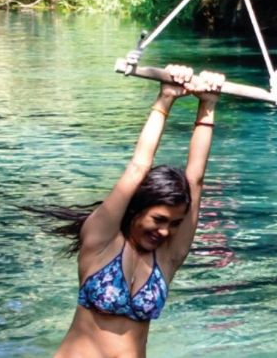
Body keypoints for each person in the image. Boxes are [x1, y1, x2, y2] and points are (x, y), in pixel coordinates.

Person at [28, 65, 224, 358]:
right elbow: (138, 167)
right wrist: (165, 98)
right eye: (158, 219)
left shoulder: (168, 258)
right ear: (136, 209)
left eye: (174, 224)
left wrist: (207, 105)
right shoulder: (100, 240)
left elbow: (195, 180)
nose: (165, 231)